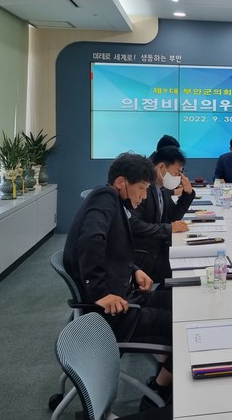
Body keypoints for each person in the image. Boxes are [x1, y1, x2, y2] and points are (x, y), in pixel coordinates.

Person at [63, 152, 173, 406]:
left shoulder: (112, 201)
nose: (144, 196)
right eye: (142, 188)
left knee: (179, 300)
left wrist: (134, 269)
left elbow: (112, 249)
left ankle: (164, 379)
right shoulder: (105, 196)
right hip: (114, 313)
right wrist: (99, 293)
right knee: (182, 323)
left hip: (125, 296)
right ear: (121, 182)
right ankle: (159, 390)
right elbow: (91, 240)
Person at [130, 145, 195, 285]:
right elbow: (133, 224)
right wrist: (168, 228)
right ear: (161, 168)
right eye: (177, 172)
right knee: (187, 275)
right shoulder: (143, 189)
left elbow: (173, 217)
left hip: (158, 249)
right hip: (144, 255)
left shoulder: (161, 189)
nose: (179, 177)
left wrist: (187, 194)